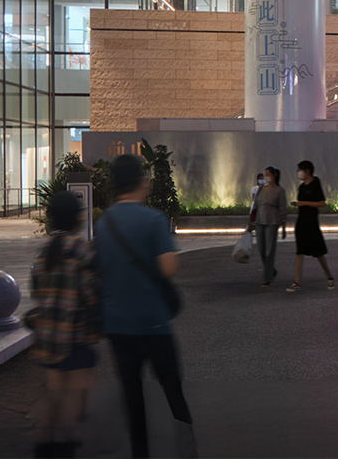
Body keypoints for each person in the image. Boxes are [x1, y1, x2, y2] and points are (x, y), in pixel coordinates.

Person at [94, 151, 196, 458]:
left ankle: (140, 452)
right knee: (171, 386)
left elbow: (99, 270)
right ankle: (186, 447)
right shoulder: (153, 219)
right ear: (141, 181)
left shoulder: (103, 224)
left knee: (131, 389)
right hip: (152, 321)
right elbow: (168, 269)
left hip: (117, 323)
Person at [27, 187, 101, 457]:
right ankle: (66, 441)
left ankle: (44, 439)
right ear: (77, 218)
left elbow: (36, 290)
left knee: (55, 387)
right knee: (78, 387)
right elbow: (91, 292)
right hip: (76, 332)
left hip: (48, 334)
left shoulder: (44, 251)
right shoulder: (81, 250)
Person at [287, 160, 335, 292]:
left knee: (318, 253)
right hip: (301, 222)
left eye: (300, 170)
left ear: (307, 171)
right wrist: (300, 204)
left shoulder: (316, 183)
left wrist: (304, 203)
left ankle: (329, 277)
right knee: (299, 252)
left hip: (312, 223)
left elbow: (322, 203)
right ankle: (297, 282)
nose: (299, 173)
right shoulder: (301, 187)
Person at [251, 166, 285, 288]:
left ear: (274, 175)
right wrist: (251, 222)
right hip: (260, 222)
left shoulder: (279, 191)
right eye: (265, 175)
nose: (265, 177)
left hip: (272, 222)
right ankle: (271, 270)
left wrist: (284, 226)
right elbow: (255, 206)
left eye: (267, 174)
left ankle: (267, 278)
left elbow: (282, 209)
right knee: (261, 249)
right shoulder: (261, 190)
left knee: (269, 250)